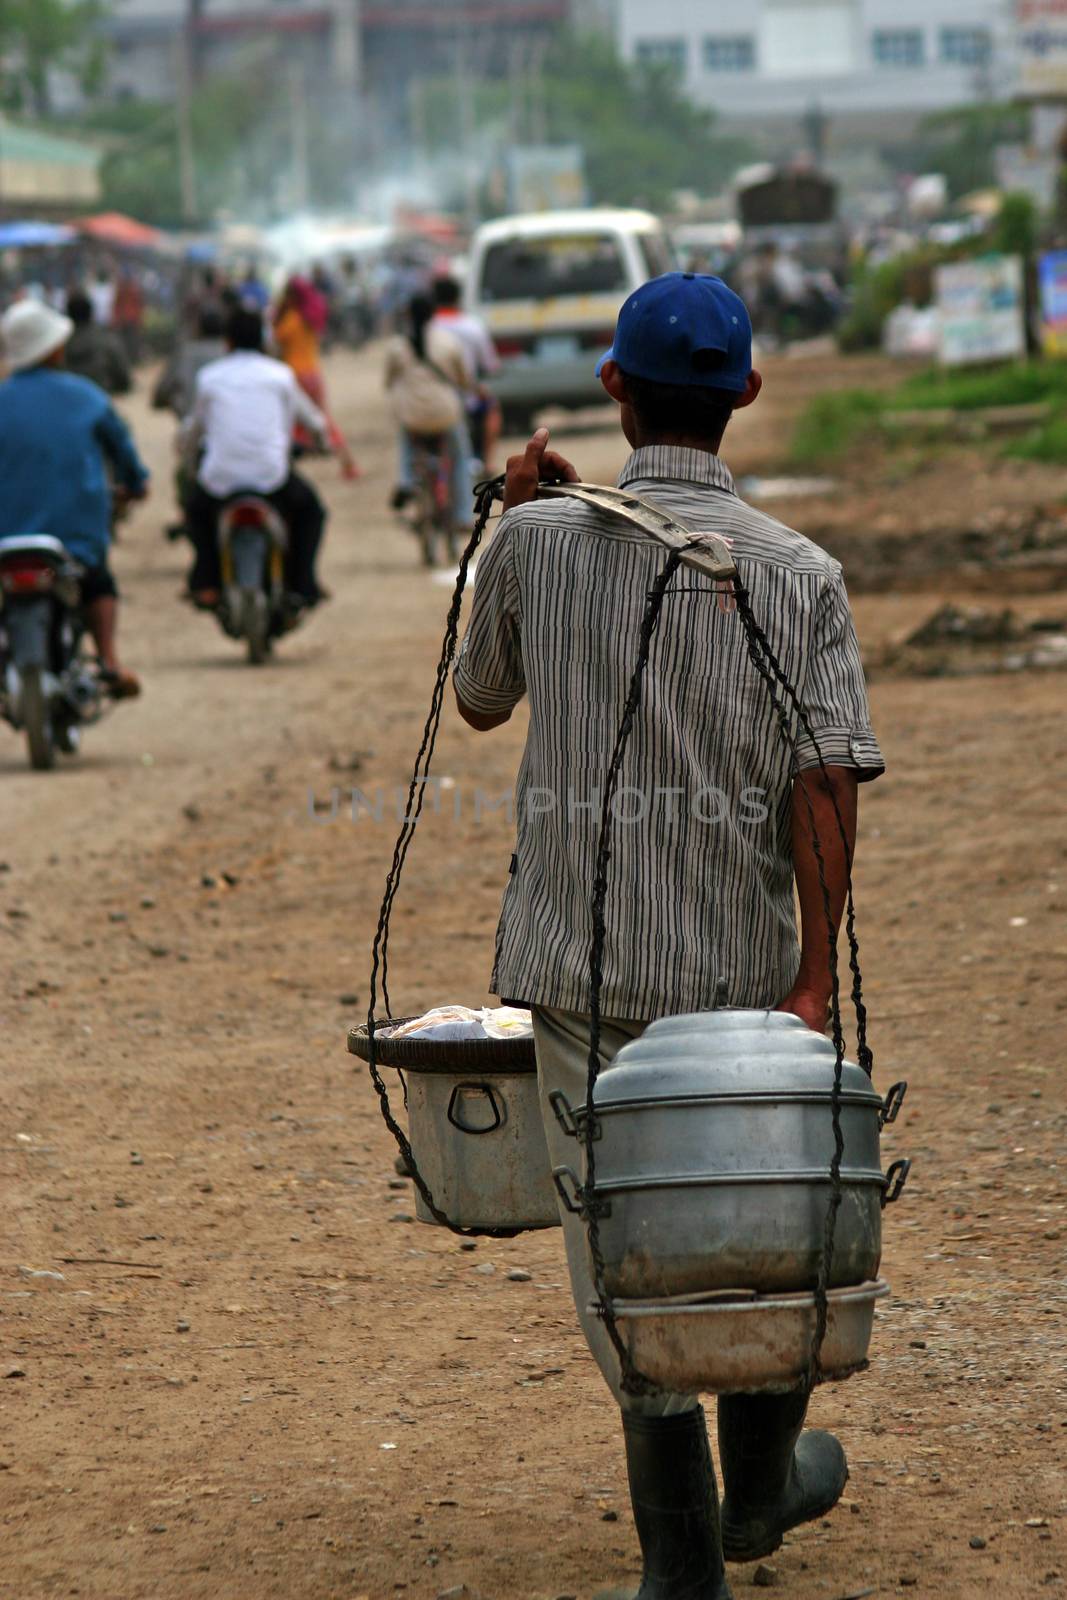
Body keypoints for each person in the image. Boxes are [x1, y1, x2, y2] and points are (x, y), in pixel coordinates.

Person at [452, 273, 885, 1598]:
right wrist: (812, 974)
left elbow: (477, 699)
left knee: (615, 1233)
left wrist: (513, 517)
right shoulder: (796, 575)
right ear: (743, 394)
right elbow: (821, 789)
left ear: (611, 389)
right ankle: (754, 1484)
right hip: (741, 975)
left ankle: (679, 1558)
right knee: (752, 1214)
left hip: (578, 972)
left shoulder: (537, 542)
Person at [0, 300, 149, 697]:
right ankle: (109, 661)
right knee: (99, 582)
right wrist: (136, 484)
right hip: (70, 545)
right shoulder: (87, 397)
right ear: (53, 349)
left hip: (5, 544)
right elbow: (123, 452)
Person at [182, 306, 330, 609]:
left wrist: (187, 457)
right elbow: (314, 422)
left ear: (228, 342)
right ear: (265, 340)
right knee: (311, 513)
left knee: (195, 513)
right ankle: (303, 585)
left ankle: (207, 581)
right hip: (270, 477)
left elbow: (192, 430)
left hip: (220, 479)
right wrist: (321, 442)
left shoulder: (209, 378)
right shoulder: (280, 375)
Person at [384, 294, 474, 531]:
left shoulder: (397, 346)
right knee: (459, 459)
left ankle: (406, 481)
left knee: (406, 440)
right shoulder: (448, 341)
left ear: (408, 315)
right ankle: (464, 514)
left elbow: (389, 381)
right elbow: (464, 380)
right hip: (446, 415)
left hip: (412, 417)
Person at [274, 275, 358, 479]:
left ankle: (282, 471)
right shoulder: (309, 317)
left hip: (295, 376)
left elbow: (277, 340)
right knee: (323, 419)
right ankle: (347, 463)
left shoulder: (291, 319)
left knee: (285, 423)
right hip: (313, 374)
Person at [431, 275, 501, 472]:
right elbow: (491, 364)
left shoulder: (428, 328)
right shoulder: (472, 326)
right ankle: (487, 462)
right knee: (492, 408)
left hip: (433, 396)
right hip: (466, 397)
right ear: (457, 297)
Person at [64, 290, 132, 395]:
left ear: (68, 314)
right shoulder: (106, 339)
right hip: (100, 399)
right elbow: (124, 379)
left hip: (66, 403)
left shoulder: (59, 347)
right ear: (91, 312)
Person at [112, 270, 145, 366]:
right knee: (125, 343)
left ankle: (132, 360)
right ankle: (128, 361)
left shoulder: (132, 290)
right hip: (125, 320)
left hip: (130, 320)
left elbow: (139, 306)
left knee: (131, 342)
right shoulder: (123, 290)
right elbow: (117, 306)